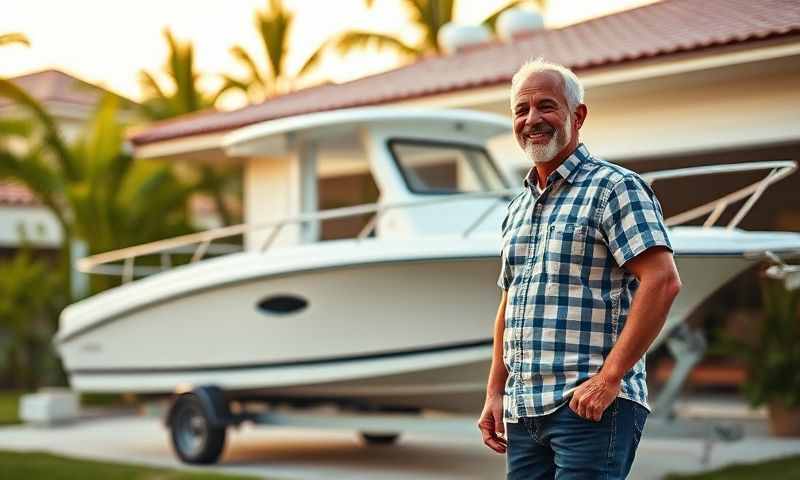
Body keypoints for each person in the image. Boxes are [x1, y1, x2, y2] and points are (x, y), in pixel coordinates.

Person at [477, 58, 682, 479]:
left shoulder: (615, 187)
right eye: (521, 109)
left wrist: (609, 379)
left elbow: (662, 282)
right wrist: (495, 391)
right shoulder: (517, 207)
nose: (532, 119)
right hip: (525, 410)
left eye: (546, 106)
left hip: (589, 406)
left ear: (578, 115)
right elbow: (510, 302)